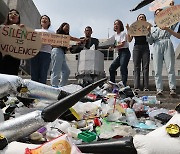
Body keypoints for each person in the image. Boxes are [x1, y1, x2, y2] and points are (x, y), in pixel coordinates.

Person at [147, 8, 178, 95]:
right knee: (157, 69)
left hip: (167, 41)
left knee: (170, 67)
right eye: (156, 13)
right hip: (156, 45)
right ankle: (159, 89)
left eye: (160, 13)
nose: (158, 14)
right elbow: (150, 42)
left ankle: (172, 88)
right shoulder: (152, 28)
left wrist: (172, 7)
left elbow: (176, 18)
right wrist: (148, 32)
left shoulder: (169, 23)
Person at [50, 22, 84, 87]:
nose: (68, 28)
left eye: (69, 27)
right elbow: (53, 44)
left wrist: (79, 41)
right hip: (57, 51)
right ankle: (54, 85)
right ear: (62, 27)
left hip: (62, 53)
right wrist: (79, 40)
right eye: (66, 26)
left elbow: (72, 39)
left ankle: (61, 86)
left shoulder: (66, 38)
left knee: (66, 71)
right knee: (56, 69)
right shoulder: (58, 35)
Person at [126, 14, 150, 91]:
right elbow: (129, 40)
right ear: (137, 20)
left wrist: (149, 30)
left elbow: (151, 38)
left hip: (145, 47)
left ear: (145, 20)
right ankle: (136, 87)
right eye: (140, 17)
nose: (141, 18)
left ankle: (146, 87)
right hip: (136, 47)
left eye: (143, 17)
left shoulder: (148, 27)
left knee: (145, 67)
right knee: (136, 67)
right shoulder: (134, 28)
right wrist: (128, 30)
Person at [30, 15, 53, 84]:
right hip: (35, 53)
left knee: (43, 73)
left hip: (46, 53)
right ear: (40, 22)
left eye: (46, 19)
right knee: (34, 73)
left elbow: (55, 44)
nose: (44, 19)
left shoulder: (52, 33)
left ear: (49, 22)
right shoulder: (35, 31)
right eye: (43, 18)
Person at [109, 19, 131, 86]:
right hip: (120, 53)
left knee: (123, 67)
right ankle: (112, 83)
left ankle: (124, 83)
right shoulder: (115, 35)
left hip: (125, 52)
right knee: (112, 68)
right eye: (114, 24)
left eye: (117, 24)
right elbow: (109, 41)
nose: (115, 25)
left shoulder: (123, 33)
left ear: (120, 25)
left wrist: (113, 47)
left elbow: (122, 44)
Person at [0, 9, 22, 75]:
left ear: (18, 18)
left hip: (14, 58)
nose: (13, 15)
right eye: (11, 13)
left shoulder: (22, 30)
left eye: (15, 14)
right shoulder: (1, 27)